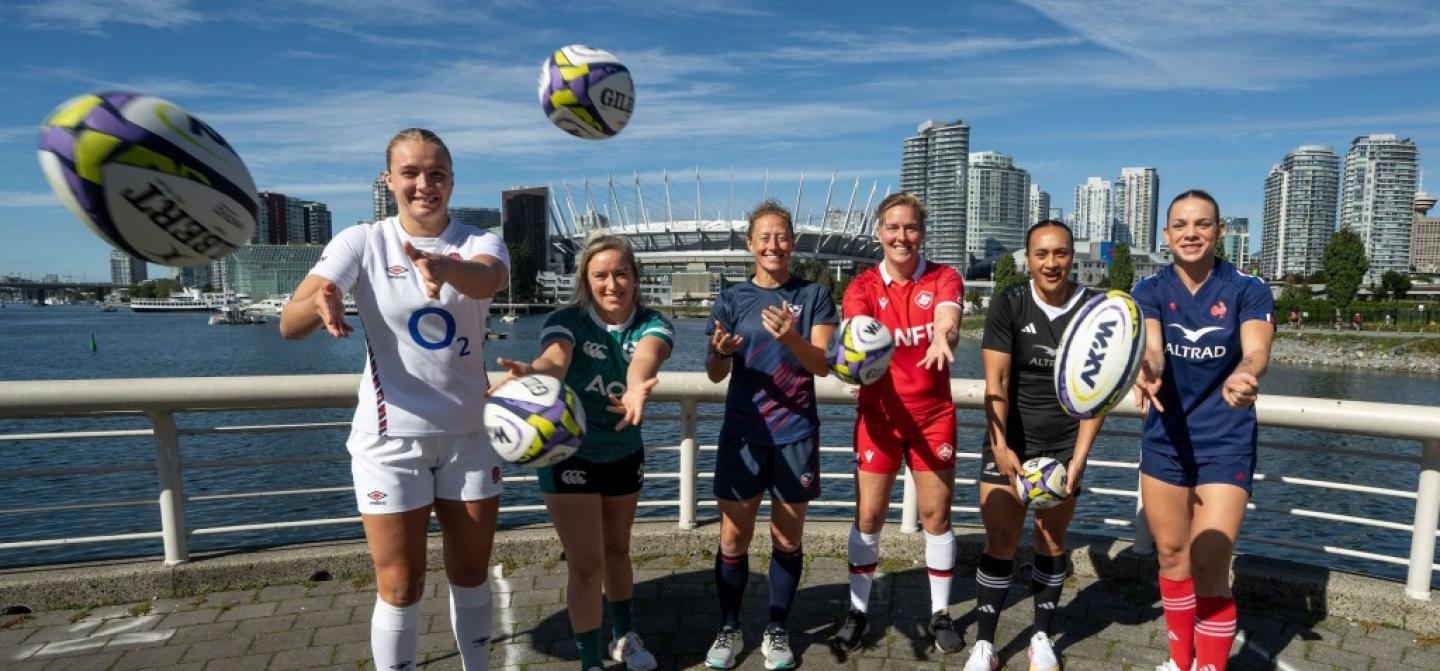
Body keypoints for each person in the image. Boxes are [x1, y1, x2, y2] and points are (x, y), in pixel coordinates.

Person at [279, 128, 510, 671]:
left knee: (472, 574)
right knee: (401, 584)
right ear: (389, 180)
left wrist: (443, 267)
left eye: (436, 173)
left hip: (470, 437)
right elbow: (290, 324)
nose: (423, 184)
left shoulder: (479, 239)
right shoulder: (361, 241)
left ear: (452, 180)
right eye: (410, 172)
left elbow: (488, 279)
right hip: (390, 440)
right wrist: (322, 303)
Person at [492, 235, 673, 671]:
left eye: (621, 273)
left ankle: (624, 636)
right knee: (587, 563)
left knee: (617, 550)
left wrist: (635, 387)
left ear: (635, 278)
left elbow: (645, 358)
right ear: (586, 281)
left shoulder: (653, 322)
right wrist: (533, 372)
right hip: (568, 454)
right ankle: (590, 660)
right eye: (601, 275)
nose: (612, 284)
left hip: (624, 450)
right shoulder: (567, 320)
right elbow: (557, 357)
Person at [1131, 190, 1275, 671]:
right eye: (1180, 225)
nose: (1190, 233)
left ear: (1219, 231)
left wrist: (1245, 372)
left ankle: (1210, 667)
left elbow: (1256, 350)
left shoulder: (1246, 288)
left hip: (1224, 440)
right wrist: (1146, 368)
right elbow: (1151, 346)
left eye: (1202, 224)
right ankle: (1180, 661)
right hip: (1164, 439)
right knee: (1172, 556)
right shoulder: (1149, 289)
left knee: (1210, 562)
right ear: (1166, 235)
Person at [964, 221, 1106, 671]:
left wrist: (1079, 460)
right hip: (1011, 440)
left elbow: (1098, 393)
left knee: (1051, 538)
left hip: (1064, 443)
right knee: (1001, 538)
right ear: (1028, 258)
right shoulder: (1010, 302)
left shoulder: (1093, 310)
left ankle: (1041, 636)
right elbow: (997, 381)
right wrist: (1001, 446)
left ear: (1071, 257)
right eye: (1041, 254)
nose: (1051, 263)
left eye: (1060, 253)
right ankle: (985, 644)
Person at [703, 201, 838, 670]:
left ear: (793, 243)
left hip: (796, 431)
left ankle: (777, 628)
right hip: (743, 431)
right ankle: (729, 627)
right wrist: (720, 353)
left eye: (781, 236)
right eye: (764, 237)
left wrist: (790, 337)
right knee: (733, 538)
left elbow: (821, 363)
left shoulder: (815, 294)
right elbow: (715, 373)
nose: (773, 245)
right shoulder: (732, 298)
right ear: (750, 244)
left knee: (786, 538)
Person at [833, 192, 965, 654]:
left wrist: (942, 334)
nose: (901, 236)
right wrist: (856, 358)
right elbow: (856, 330)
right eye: (893, 228)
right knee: (869, 516)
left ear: (921, 233)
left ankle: (941, 612)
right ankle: (856, 611)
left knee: (936, 516)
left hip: (933, 418)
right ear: (880, 233)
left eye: (910, 228)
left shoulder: (944, 275)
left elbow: (948, 315)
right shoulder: (863, 285)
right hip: (880, 418)